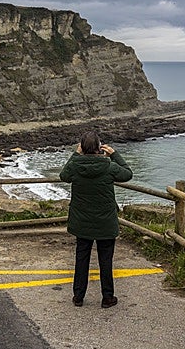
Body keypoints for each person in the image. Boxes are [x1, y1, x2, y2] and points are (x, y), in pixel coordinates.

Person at [59, 130, 133, 308]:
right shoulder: (109, 166)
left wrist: (75, 154)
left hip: (82, 222)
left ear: (82, 148)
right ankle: (107, 298)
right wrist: (114, 154)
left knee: (81, 259)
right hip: (105, 222)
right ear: (99, 148)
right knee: (105, 261)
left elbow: (64, 176)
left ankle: (78, 296)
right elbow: (128, 174)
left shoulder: (76, 166)